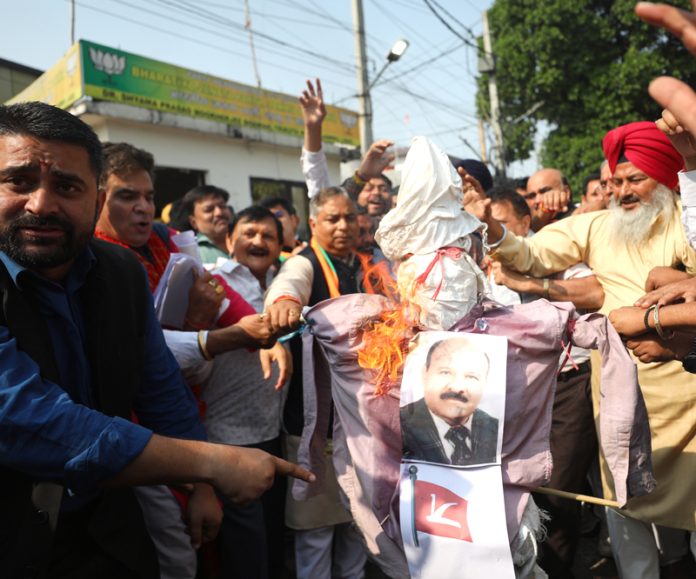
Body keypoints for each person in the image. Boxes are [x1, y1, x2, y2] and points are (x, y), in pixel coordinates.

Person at [0, 101, 313, 578]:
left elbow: (160, 387)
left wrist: (201, 486)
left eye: (66, 186)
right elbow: (30, 421)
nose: (42, 204)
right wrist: (211, 463)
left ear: (94, 196)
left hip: (104, 523)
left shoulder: (119, 273)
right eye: (19, 182)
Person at [480, 119, 696, 577]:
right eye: (615, 181)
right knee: (624, 505)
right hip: (621, 397)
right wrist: (491, 228)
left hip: (688, 397)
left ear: (665, 176)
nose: (622, 191)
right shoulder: (597, 226)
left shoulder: (686, 222)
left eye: (634, 179)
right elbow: (529, 254)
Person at [264, 187, 392, 579]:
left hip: (368, 418)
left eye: (349, 218)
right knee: (315, 532)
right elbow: (290, 283)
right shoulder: (305, 263)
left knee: (360, 528)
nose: (342, 226)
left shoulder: (370, 266)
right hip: (316, 417)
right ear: (314, 224)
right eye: (332, 219)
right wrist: (284, 300)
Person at [204, 205, 290, 579]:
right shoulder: (210, 280)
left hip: (273, 433)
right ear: (228, 240)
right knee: (245, 547)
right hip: (226, 436)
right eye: (249, 233)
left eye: (268, 235)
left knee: (274, 538)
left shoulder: (287, 285)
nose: (258, 241)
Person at [401, 337, 499, 466]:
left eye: (471, 377)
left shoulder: (496, 430)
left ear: (484, 384)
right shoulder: (398, 427)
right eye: (445, 372)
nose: (458, 387)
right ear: (425, 374)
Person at [180, 184, 234, 264]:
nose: (219, 213)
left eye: (222, 206)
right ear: (193, 222)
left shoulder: (247, 242)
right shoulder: (193, 254)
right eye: (209, 209)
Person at [258, 195, 306, 260]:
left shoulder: (311, 248)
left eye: (278, 215)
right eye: (269, 218)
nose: (274, 221)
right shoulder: (262, 259)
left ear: (295, 220)